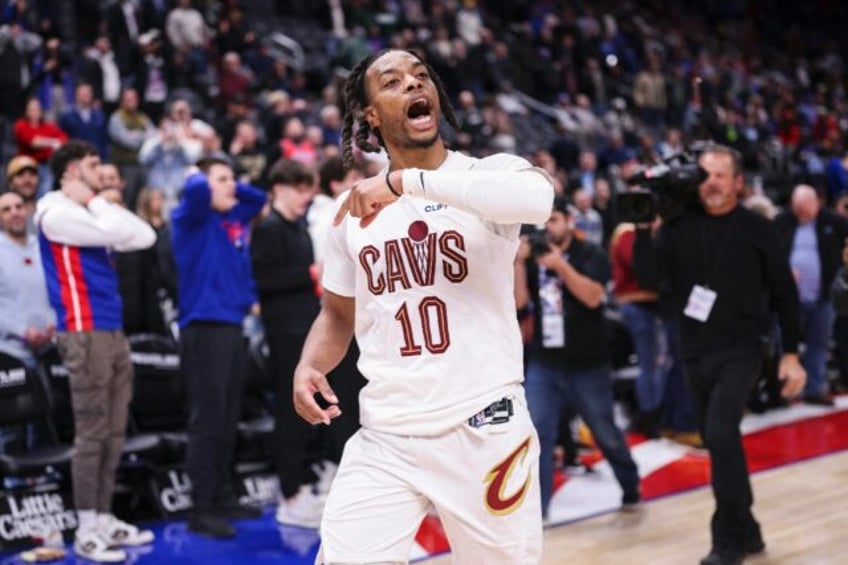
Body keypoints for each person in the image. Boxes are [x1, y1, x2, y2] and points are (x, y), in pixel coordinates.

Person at [292, 49, 553, 564]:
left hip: (485, 429)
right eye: (393, 82)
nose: (414, 85)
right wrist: (310, 365)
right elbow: (338, 314)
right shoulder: (351, 214)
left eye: (421, 76)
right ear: (371, 114)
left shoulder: (486, 176)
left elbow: (537, 200)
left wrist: (401, 181)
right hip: (387, 435)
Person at [633, 144, 806, 565]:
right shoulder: (677, 227)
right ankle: (748, 529)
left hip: (744, 350)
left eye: (720, 175)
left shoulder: (757, 228)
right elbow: (649, 279)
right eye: (704, 175)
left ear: (737, 182)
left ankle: (726, 539)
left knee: (721, 432)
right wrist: (643, 227)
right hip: (693, 351)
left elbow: (786, 293)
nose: (710, 183)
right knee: (718, 440)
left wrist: (792, 355)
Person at [35, 140, 157, 562]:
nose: (101, 174)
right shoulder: (52, 211)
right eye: (92, 166)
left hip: (111, 329)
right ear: (70, 171)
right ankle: (87, 527)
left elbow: (144, 235)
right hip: (83, 333)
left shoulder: (86, 210)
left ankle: (104, 517)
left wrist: (97, 204)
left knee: (114, 431)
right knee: (91, 432)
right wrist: (99, 205)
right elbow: (113, 233)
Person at [516, 196, 641, 520]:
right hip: (545, 362)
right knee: (537, 433)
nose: (549, 227)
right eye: (545, 221)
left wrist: (561, 266)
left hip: (587, 363)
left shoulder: (590, 254)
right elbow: (520, 304)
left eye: (554, 219)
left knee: (605, 432)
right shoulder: (534, 260)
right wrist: (517, 263)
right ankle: (538, 512)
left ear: (569, 221)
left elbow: (593, 297)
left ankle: (631, 485)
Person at [171, 156, 267, 539]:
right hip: (204, 327)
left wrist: (228, 184)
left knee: (228, 418)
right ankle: (201, 508)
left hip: (231, 325)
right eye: (223, 180)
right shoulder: (189, 218)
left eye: (232, 179)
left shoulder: (232, 220)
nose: (232, 186)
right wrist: (198, 172)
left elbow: (258, 199)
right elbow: (195, 191)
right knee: (207, 420)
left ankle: (223, 495)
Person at [251, 159, 327, 528]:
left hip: (307, 330)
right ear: (280, 188)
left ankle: (303, 486)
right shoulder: (268, 228)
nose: (306, 197)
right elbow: (264, 279)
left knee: (307, 414)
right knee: (290, 413)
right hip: (284, 333)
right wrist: (310, 273)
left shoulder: (298, 228)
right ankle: (290, 494)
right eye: (299, 189)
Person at [774, 184, 848, 405]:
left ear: (817, 203)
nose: (802, 214)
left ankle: (815, 388)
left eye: (806, 208)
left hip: (823, 295)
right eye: (798, 209)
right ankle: (785, 391)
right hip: (789, 298)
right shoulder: (782, 222)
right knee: (786, 345)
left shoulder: (834, 222)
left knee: (820, 343)